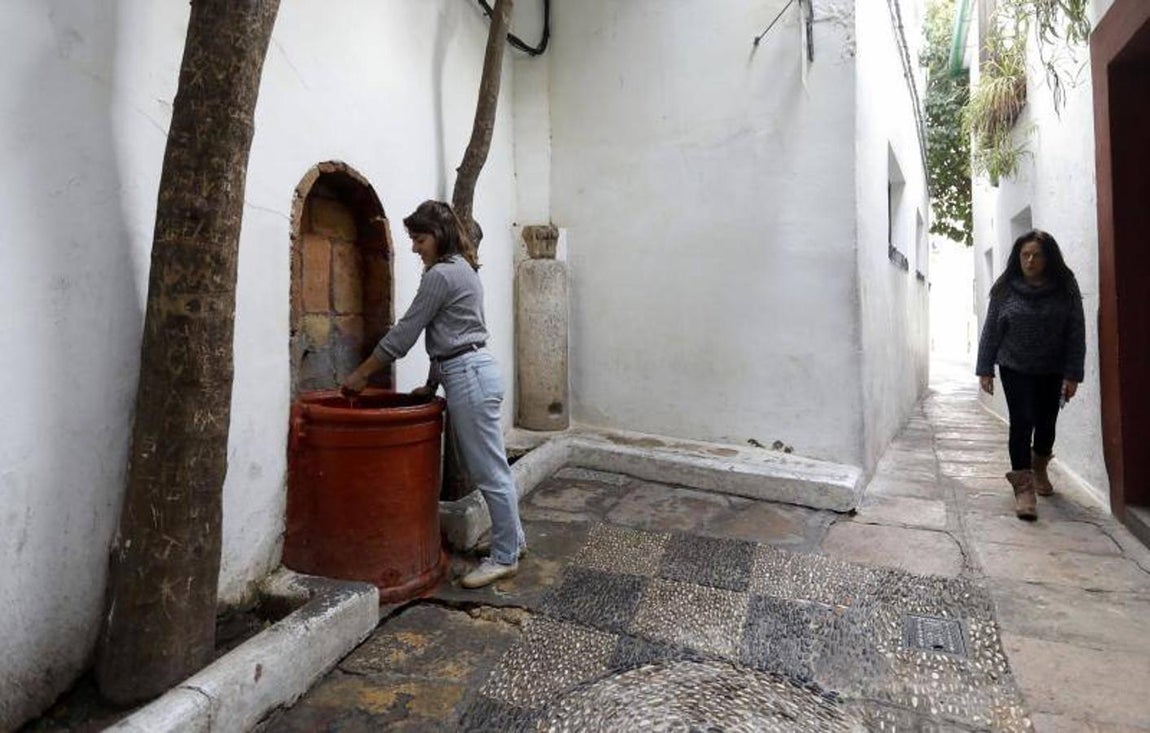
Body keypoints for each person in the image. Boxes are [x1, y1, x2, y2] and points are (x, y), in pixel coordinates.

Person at [340, 200, 526, 588]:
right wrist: (432, 383)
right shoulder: (462, 269)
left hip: (469, 376)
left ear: (438, 236)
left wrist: (361, 374)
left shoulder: (440, 275)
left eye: (419, 238)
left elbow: (407, 332)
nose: (414, 247)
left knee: (488, 471)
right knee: (493, 467)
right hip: (472, 370)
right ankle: (514, 541)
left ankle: (505, 556)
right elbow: (450, 335)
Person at [975, 229, 1085, 520]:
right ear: (1018, 257)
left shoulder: (1065, 286)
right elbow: (991, 330)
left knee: (1046, 423)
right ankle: (1024, 488)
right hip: (1014, 366)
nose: (1030, 260)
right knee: (1021, 422)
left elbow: (1076, 330)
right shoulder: (1005, 288)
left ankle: (1039, 465)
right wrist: (985, 369)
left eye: (1036, 255)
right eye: (1025, 255)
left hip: (1053, 368)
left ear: (1048, 258)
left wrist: (1073, 374)